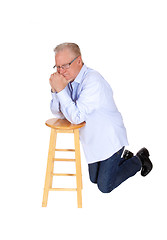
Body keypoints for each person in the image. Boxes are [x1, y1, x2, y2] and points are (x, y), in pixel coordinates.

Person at [49, 42, 153, 193]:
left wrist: (60, 91)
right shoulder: (68, 81)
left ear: (79, 61)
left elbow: (76, 117)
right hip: (92, 141)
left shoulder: (93, 81)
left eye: (65, 65)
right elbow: (58, 113)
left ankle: (138, 159)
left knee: (104, 186)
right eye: (57, 67)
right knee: (94, 179)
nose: (60, 71)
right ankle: (124, 160)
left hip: (109, 139)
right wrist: (56, 90)